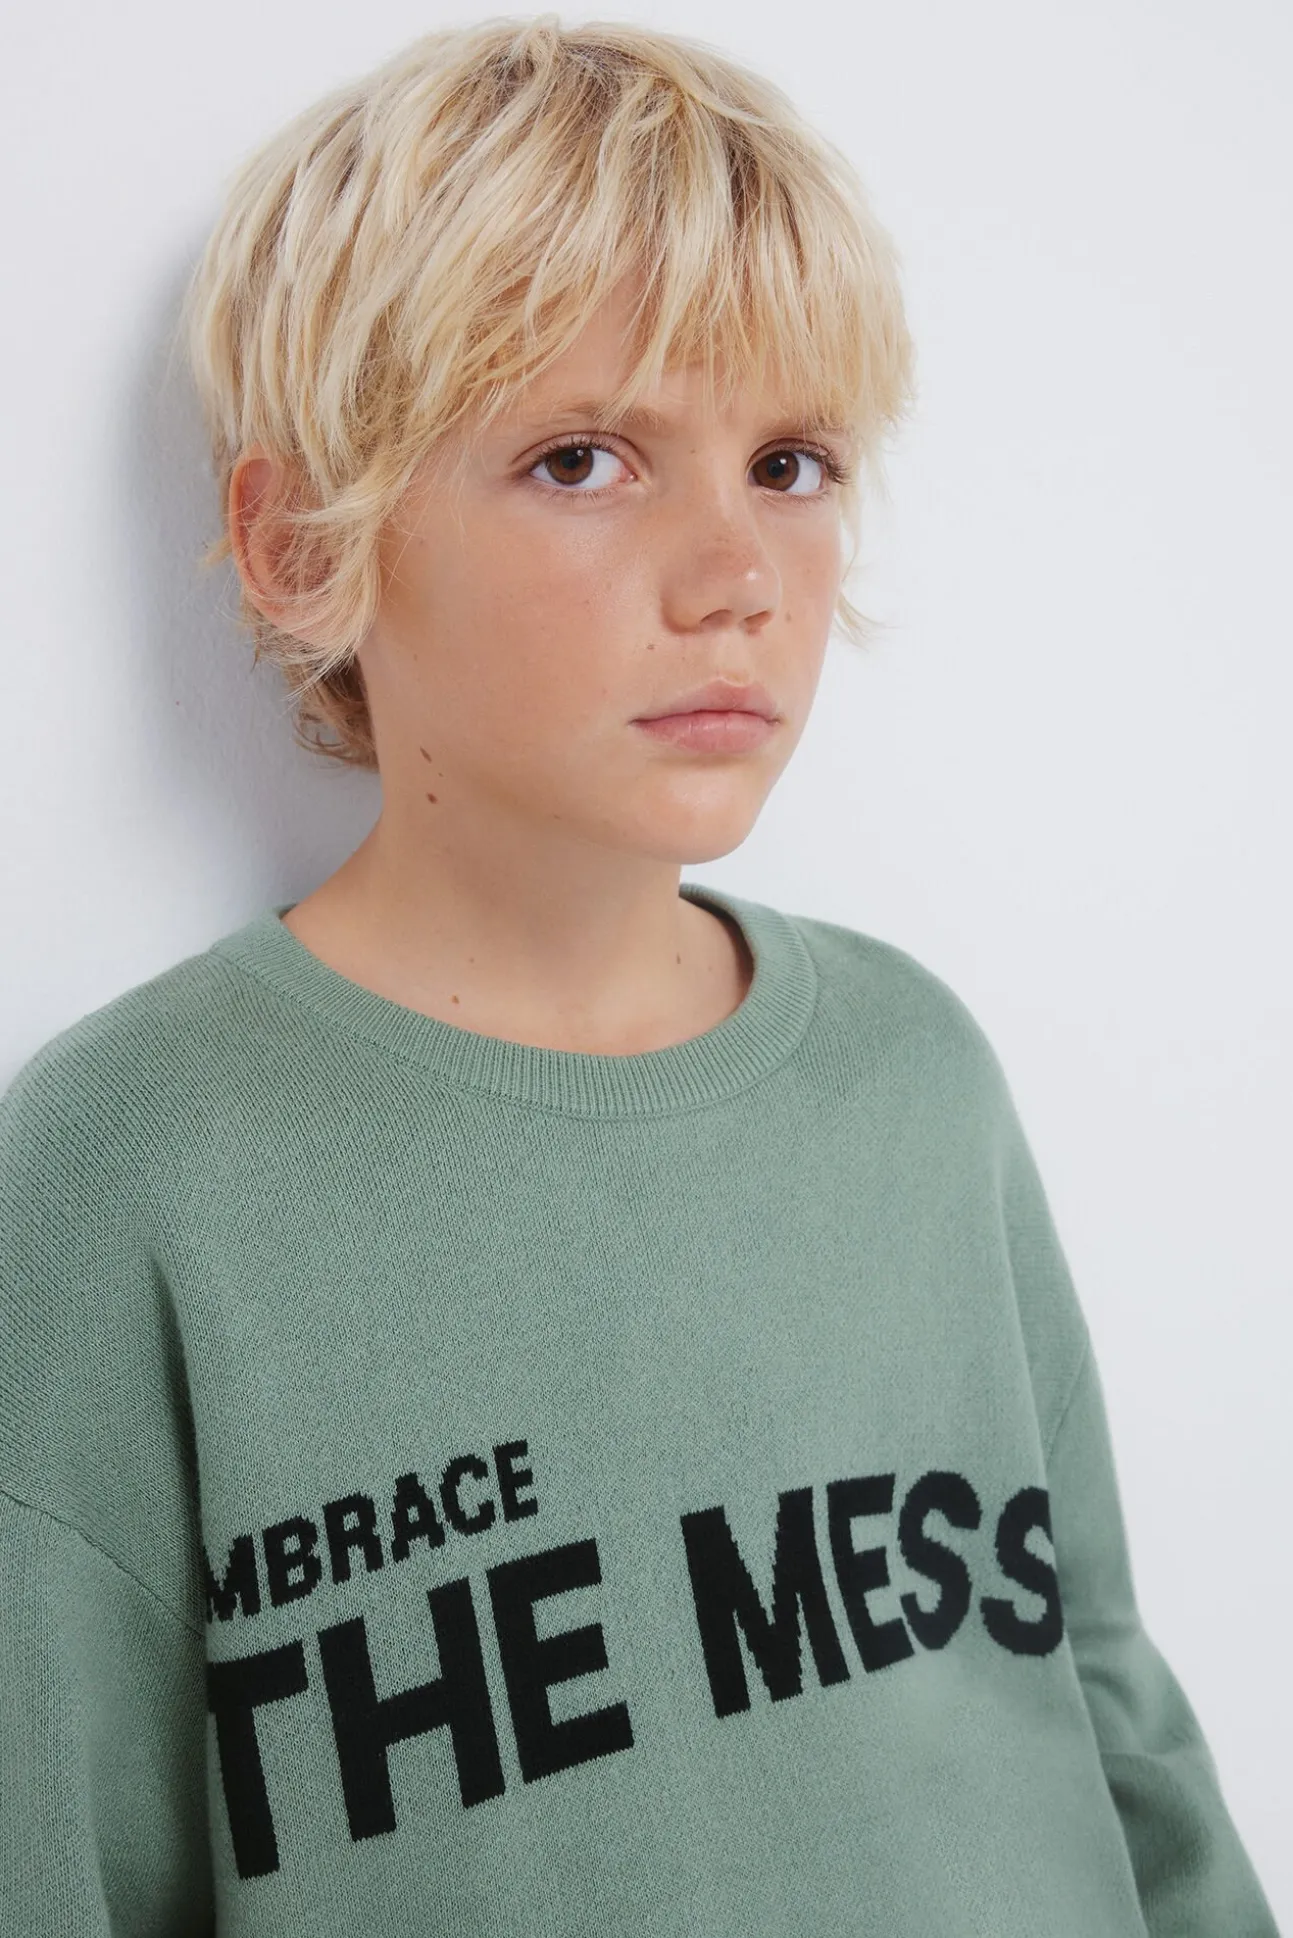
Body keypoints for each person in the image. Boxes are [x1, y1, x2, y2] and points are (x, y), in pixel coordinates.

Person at [0, 16, 1278, 1937]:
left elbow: (1119, 1731)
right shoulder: (135, 1159)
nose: (737, 572)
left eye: (791, 462)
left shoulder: (914, 1073)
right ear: (295, 543)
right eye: (584, 458)